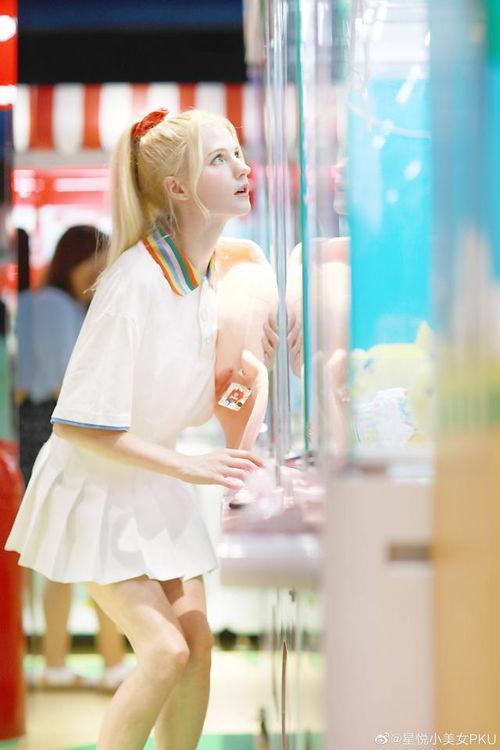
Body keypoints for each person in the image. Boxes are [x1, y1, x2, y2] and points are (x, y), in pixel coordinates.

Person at [6, 108, 273, 750]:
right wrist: (194, 467)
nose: (242, 169)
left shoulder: (206, 274)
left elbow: (246, 267)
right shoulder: (133, 281)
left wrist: (259, 344)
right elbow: (80, 425)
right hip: (97, 488)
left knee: (197, 647)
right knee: (163, 651)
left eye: (237, 153)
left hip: (152, 483)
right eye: (219, 159)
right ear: (177, 188)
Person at [16, 226, 131, 691]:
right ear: (80, 259)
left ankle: (57, 664)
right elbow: (68, 380)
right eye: (99, 262)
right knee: (95, 546)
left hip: (42, 426)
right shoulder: (57, 307)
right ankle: (110, 664)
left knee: (63, 552)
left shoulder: (42, 304)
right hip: (64, 427)